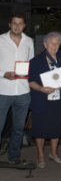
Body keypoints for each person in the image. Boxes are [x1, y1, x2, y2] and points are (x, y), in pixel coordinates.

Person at [29, 32, 61, 169]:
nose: (54, 46)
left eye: (57, 43)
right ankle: (40, 155)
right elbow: (30, 82)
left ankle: (53, 153)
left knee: (56, 127)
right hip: (42, 99)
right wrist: (42, 89)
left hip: (58, 99)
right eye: (52, 43)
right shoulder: (35, 61)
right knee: (40, 128)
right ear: (45, 44)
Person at [0, 14, 34, 165]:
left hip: (23, 90)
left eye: (20, 23)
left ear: (24, 26)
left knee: (19, 128)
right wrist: (3, 74)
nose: (17, 26)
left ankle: (14, 156)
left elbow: (30, 63)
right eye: (14, 23)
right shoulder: (0, 40)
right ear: (9, 24)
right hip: (3, 90)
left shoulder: (29, 41)